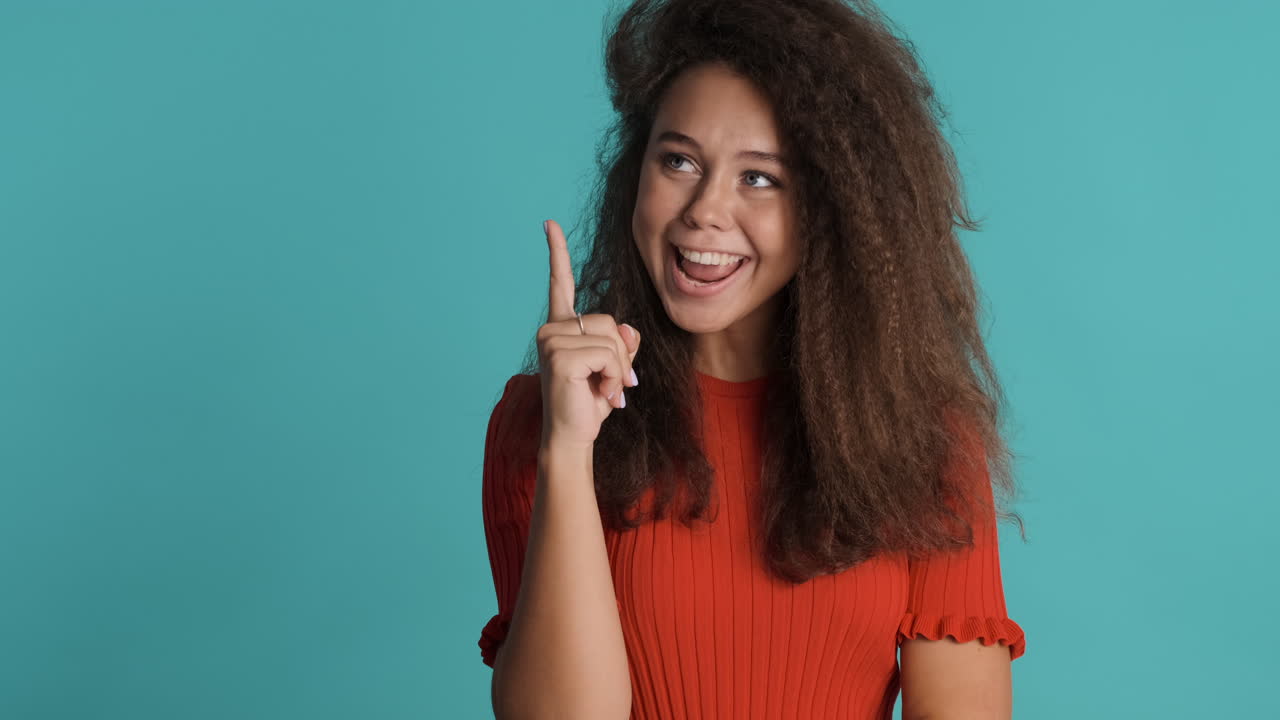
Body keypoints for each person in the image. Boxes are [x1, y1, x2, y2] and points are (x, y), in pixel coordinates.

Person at [477, 0, 1027, 718]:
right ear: (634, 174)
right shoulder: (543, 422)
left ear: (831, 209)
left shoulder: (929, 446)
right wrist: (569, 447)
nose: (705, 209)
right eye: (678, 160)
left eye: (759, 177)